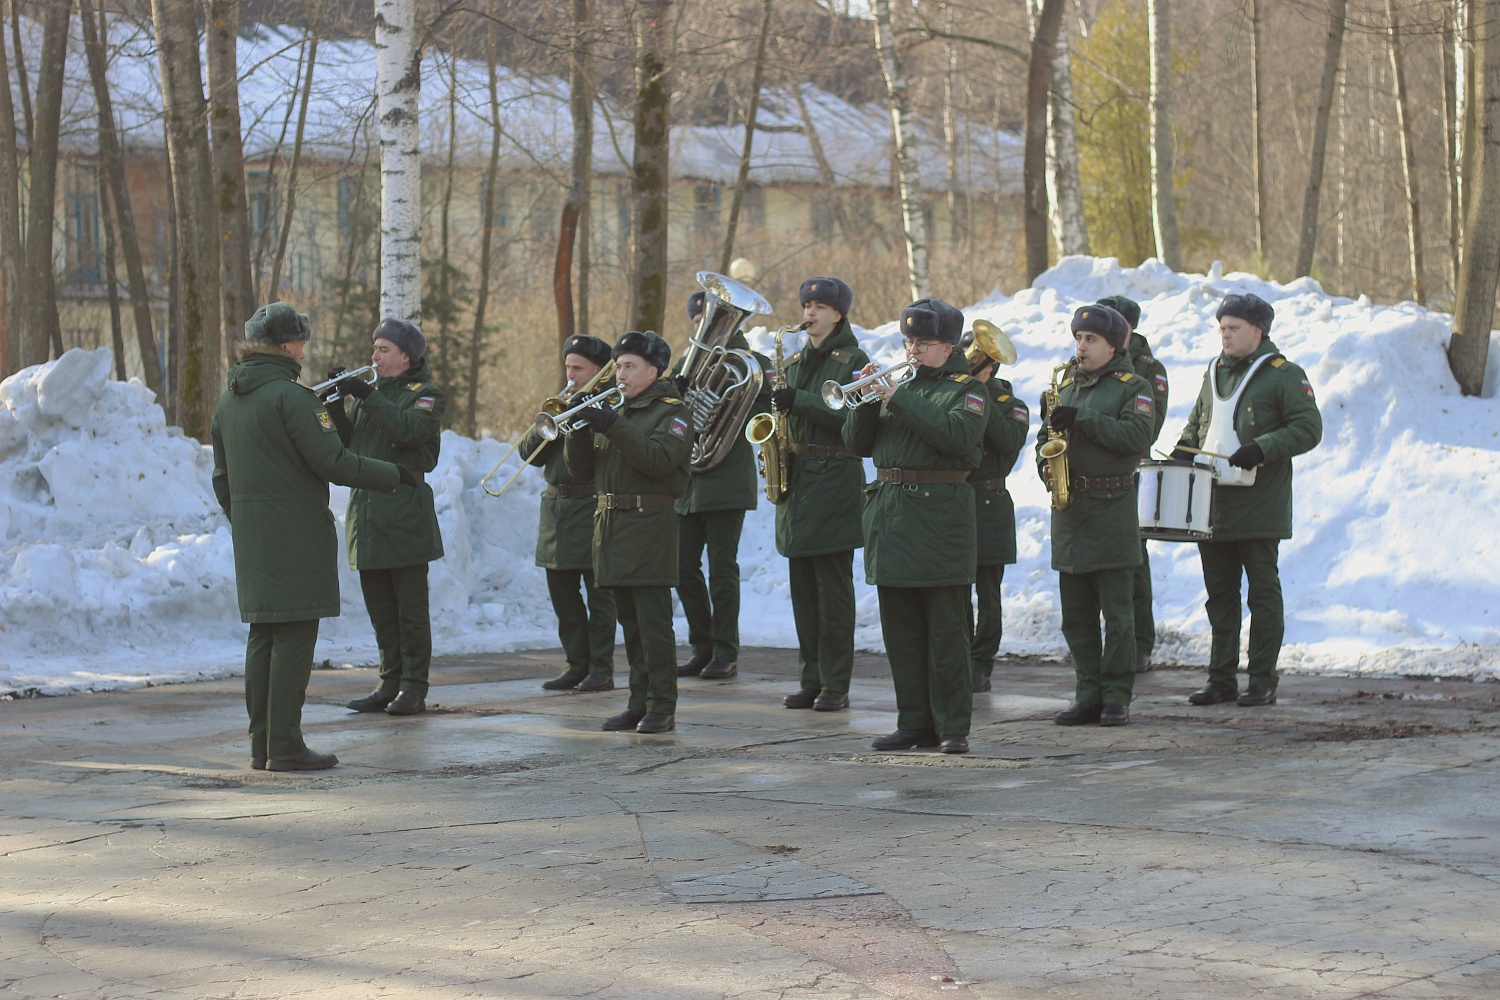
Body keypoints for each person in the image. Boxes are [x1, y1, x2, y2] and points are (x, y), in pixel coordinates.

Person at [211, 302, 409, 771]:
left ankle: (263, 745)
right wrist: (395, 474)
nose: (304, 348)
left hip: (254, 537)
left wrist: (246, 520)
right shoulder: (292, 397)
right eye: (300, 339)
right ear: (285, 345)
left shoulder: (228, 399)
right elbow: (334, 463)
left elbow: (222, 477)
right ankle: (286, 745)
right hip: (296, 535)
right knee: (296, 638)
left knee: (264, 637)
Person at [844, 298, 986, 754]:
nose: (912, 351)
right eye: (908, 342)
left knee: (946, 633)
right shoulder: (897, 387)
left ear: (948, 347)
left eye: (923, 343)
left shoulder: (968, 390)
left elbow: (955, 436)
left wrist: (896, 397)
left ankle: (953, 727)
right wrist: (866, 399)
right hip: (892, 520)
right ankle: (913, 722)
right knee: (901, 633)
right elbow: (857, 444)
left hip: (940, 522)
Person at [1174, 293, 1322, 707]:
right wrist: (1182, 451)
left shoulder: (1283, 374)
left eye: (1234, 328)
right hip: (1214, 506)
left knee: (1262, 593)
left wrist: (1263, 447)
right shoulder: (1213, 373)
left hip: (1260, 505)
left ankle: (1262, 678)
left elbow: (1309, 428)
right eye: (1222, 327)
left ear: (1258, 331)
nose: (1225, 335)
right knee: (1219, 596)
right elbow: (1198, 424)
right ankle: (1220, 678)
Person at [565, 331, 692, 734]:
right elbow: (581, 472)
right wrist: (578, 431)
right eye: (618, 366)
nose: (620, 373)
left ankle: (662, 705)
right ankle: (638, 702)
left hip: (650, 526)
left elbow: (657, 460)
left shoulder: (673, 412)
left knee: (653, 625)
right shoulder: (615, 409)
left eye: (629, 366)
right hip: (612, 527)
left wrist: (612, 424)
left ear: (653, 371)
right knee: (630, 625)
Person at [1037, 304, 1155, 727]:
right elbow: (1044, 438)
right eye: (1078, 339)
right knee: (1076, 615)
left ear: (1112, 345)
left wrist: (1083, 418)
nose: (1081, 347)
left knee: (1118, 614)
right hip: (1070, 512)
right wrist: (1044, 464)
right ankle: (1086, 692)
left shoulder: (1134, 386)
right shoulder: (1064, 384)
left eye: (1091, 340)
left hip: (1111, 508)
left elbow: (1137, 438)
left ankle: (1117, 695)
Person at [329, 319, 446, 717]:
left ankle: (414, 685)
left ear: (406, 357)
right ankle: (389, 680)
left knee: (409, 609)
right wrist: (334, 403)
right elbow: (346, 444)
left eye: (383, 349)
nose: (373, 356)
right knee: (380, 608)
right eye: (374, 348)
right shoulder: (371, 396)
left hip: (403, 511)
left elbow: (408, 431)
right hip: (367, 513)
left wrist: (364, 393)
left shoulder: (425, 395)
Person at [771, 277, 869, 712]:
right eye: (806, 304)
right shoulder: (792, 361)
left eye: (819, 306)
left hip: (833, 478)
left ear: (838, 313)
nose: (809, 313)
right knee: (804, 592)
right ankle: (810, 677)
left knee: (833, 593)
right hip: (798, 482)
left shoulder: (854, 359)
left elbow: (849, 420)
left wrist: (800, 401)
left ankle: (836, 682)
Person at [674, 291, 772, 682]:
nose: (705, 326)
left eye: (711, 319)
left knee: (721, 569)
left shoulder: (753, 363)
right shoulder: (686, 362)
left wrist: (723, 403)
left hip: (726, 477)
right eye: (699, 320)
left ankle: (726, 652)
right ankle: (702, 645)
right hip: (690, 479)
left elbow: (765, 414)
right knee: (681, 567)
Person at [516, 335, 619, 693]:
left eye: (578, 368)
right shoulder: (560, 403)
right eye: (568, 367)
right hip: (556, 511)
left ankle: (601, 668)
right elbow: (529, 454)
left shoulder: (609, 405)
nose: (570, 374)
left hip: (590, 506)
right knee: (563, 595)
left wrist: (585, 414)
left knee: (599, 595)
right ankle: (576, 664)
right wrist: (551, 418)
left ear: (598, 371)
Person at [1097, 295, 1169, 674]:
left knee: (1133, 565)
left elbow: (1146, 430)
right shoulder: (1087, 366)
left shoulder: (1147, 370)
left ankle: (1140, 644)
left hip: (1130, 475)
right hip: (1089, 479)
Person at [964, 331, 1030, 693]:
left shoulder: (1010, 402)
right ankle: (957, 655)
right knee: (954, 590)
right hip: (954, 499)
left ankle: (981, 661)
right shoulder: (953, 392)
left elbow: (1008, 441)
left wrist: (981, 394)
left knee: (988, 593)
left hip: (989, 502)